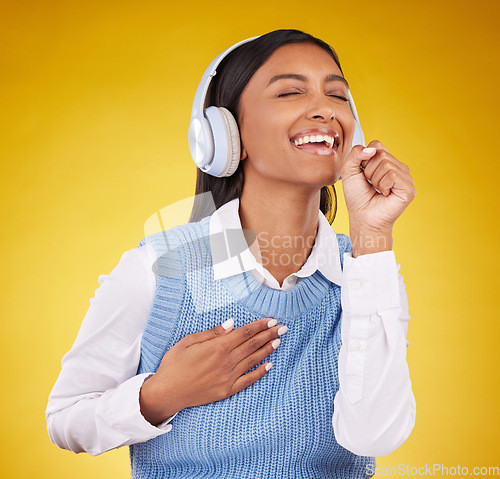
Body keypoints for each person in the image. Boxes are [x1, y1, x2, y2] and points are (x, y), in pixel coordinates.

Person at [46, 29, 416, 478]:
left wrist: (373, 234)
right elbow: (66, 421)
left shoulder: (365, 273)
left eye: (336, 94)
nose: (325, 109)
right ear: (224, 133)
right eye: (291, 91)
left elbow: (375, 436)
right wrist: (164, 394)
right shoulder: (159, 269)